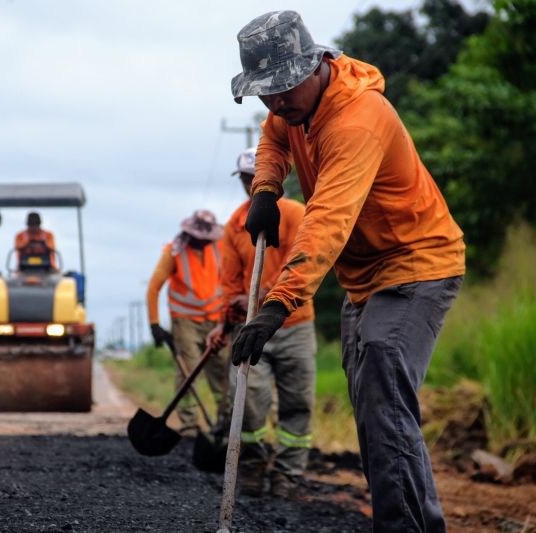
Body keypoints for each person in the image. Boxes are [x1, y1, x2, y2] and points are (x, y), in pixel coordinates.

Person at [229, 11, 465, 532]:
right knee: (372, 407)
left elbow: (326, 223)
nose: (277, 101)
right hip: (364, 279)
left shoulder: (358, 119)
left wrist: (277, 304)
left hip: (416, 264)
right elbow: (273, 135)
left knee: (383, 385)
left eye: (285, 88)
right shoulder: (292, 109)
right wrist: (266, 188)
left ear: (315, 67)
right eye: (266, 93)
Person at [207, 147, 317, 498]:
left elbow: (301, 266)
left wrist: (262, 294)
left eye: (254, 178)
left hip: (295, 324)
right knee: (249, 401)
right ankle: (251, 466)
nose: (249, 185)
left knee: (297, 403)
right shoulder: (234, 227)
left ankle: (288, 475)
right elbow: (229, 281)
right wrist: (227, 317)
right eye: (243, 179)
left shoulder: (296, 214)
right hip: (250, 329)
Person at [146, 209, 230, 436]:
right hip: (185, 322)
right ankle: (189, 423)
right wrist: (154, 324)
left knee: (223, 372)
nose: (202, 242)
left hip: (217, 320)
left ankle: (225, 421)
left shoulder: (221, 246)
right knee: (188, 372)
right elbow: (154, 287)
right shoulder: (174, 251)